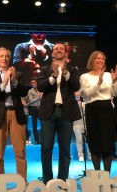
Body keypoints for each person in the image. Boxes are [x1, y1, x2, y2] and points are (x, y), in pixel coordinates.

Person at [37, 42, 81, 184]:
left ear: (66, 53)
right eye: (56, 49)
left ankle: (62, 180)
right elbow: (40, 86)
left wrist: (65, 73)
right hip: (48, 112)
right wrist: (54, 76)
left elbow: (76, 85)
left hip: (66, 112)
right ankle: (47, 181)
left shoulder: (72, 70)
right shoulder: (44, 69)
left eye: (61, 49)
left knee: (65, 149)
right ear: (52, 54)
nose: (59, 50)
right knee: (46, 149)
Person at [0, 47, 28, 185]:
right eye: (1, 56)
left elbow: (22, 93)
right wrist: (3, 83)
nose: (4, 58)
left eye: (6, 56)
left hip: (16, 114)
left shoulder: (18, 74)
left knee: (20, 153)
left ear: (9, 59)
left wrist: (14, 80)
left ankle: (23, 184)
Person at [79, 50, 117, 173]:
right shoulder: (84, 76)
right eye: (98, 58)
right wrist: (99, 83)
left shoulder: (109, 75)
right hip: (93, 110)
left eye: (103, 58)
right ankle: (97, 174)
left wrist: (114, 81)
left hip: (107, 109)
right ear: (92, 60)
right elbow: (85, 95)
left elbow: (116, 93)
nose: (101, 60)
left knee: (108, 144)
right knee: (95, 143)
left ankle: (106, 175)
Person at [73, 91, 91, 162]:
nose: (78, 95)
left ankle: (90, 154)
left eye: (79, 95)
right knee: (79, 140)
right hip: (76, 124)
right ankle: (81, 155)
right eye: (76, 95)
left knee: (88, 140)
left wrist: (82, 106)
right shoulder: (72, 104)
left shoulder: (86, 102)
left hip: (86, 123)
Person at [27, 77, 42, 144]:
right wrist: (39, 97)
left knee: (43, 124)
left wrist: (38, 98)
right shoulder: (30, 91)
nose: (33, 84)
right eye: (32, 83)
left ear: (36, 83)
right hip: (33, 108)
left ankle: (43, 139)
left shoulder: (41, 90)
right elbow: (31, 101)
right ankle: (36, 140)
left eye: (34, 82)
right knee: (34, 125)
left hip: (41, 108)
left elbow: (44, 99)